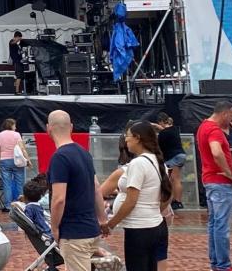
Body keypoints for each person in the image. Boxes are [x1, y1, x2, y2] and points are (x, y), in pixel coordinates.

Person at [100, 121, 170, 271]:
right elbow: (167, 195)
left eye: (128, 136)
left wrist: (110, 224)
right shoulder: (158, 162)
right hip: (155, 225)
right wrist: (154, 211)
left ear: (138, 138)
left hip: (139, 230)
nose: (126, 140)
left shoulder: (138, 163)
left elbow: (131, 201)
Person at [46, 110, 105, 271]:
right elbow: (96, 189)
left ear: (48, 129)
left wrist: (54, 228)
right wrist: (102, 219)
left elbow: (59, 198)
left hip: (74, 233)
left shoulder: (60, 158)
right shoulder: (84, 153)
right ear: (71, 127)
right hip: (91, 229)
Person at [198, 100, 232, 271]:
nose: (231, 119)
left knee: (214, 224)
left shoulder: (203, 127)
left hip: (210, 180)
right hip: (220, 181)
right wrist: (229, 173)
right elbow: (216, 151)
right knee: (221, 225)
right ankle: (223, 265)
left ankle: (217, 262)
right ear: (224, 113)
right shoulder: (214, 130)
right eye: (231, 115)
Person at [0, 118, 31, 211]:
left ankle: (8, 205)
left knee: (6, 184)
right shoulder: (16, 135)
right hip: (17, 161)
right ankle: (20, 205)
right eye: (14, 125)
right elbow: (22, 148)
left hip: (4, 160)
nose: (15, 127)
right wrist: (28, 160)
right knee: (20, 183)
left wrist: (1, 159)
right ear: (11, 125)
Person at [155, 112, 186, 210]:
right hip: (180, 155)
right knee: (174, 179)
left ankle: (178, 201)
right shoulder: (174, 129)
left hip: (173, 157)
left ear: (160, 122)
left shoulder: (163, 134)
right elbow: (166, 130)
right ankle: (175, 200)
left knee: (175, 179)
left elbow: (159, 147)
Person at [22, 175, 53, 240]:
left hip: (46, 233)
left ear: (25, 197)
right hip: (49, 231)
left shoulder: (29, 208)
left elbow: (28, 223)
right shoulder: (38, 206)